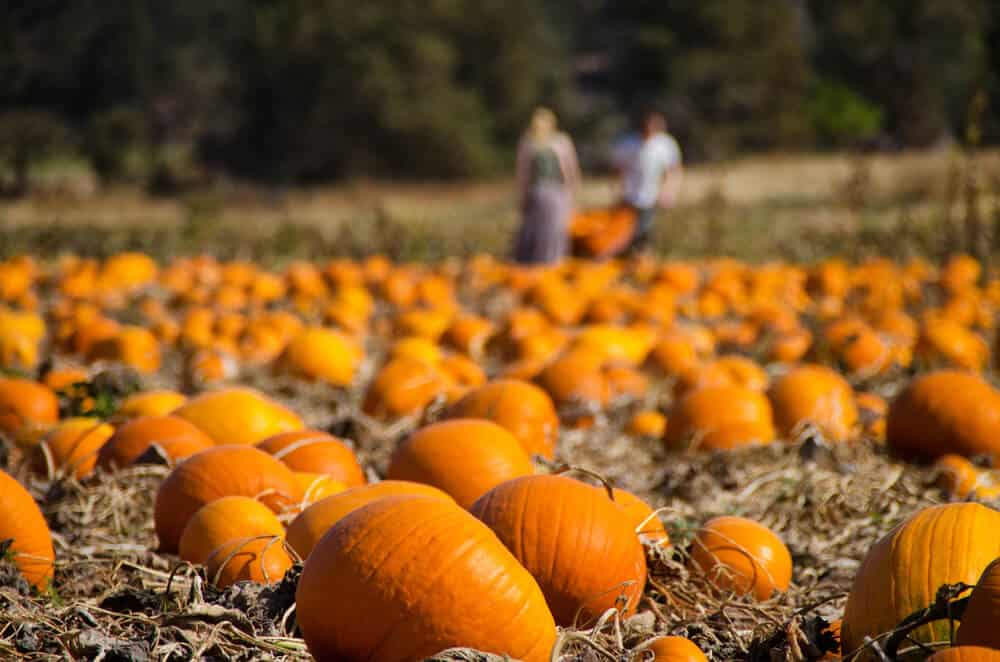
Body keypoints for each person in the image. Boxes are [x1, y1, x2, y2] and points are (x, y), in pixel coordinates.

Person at [513, 107, 581, 265]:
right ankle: (547, 264)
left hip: (549, 192)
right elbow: (524, 174)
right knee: (549, 230)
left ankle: (543, 264)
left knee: (545, 230)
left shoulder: (558, 141)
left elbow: (571, 171)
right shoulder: (530, 142)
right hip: (547, 194)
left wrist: (572, 193)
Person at [613, 110, 684, 254]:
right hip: (630, 195)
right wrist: (618, 189)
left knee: (646, 233)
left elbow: (673, 170)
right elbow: (618, 168)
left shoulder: (665, 145)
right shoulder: (628, 143)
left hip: (652, 195)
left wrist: (669, 191)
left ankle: (643, 259)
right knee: (625, 233)